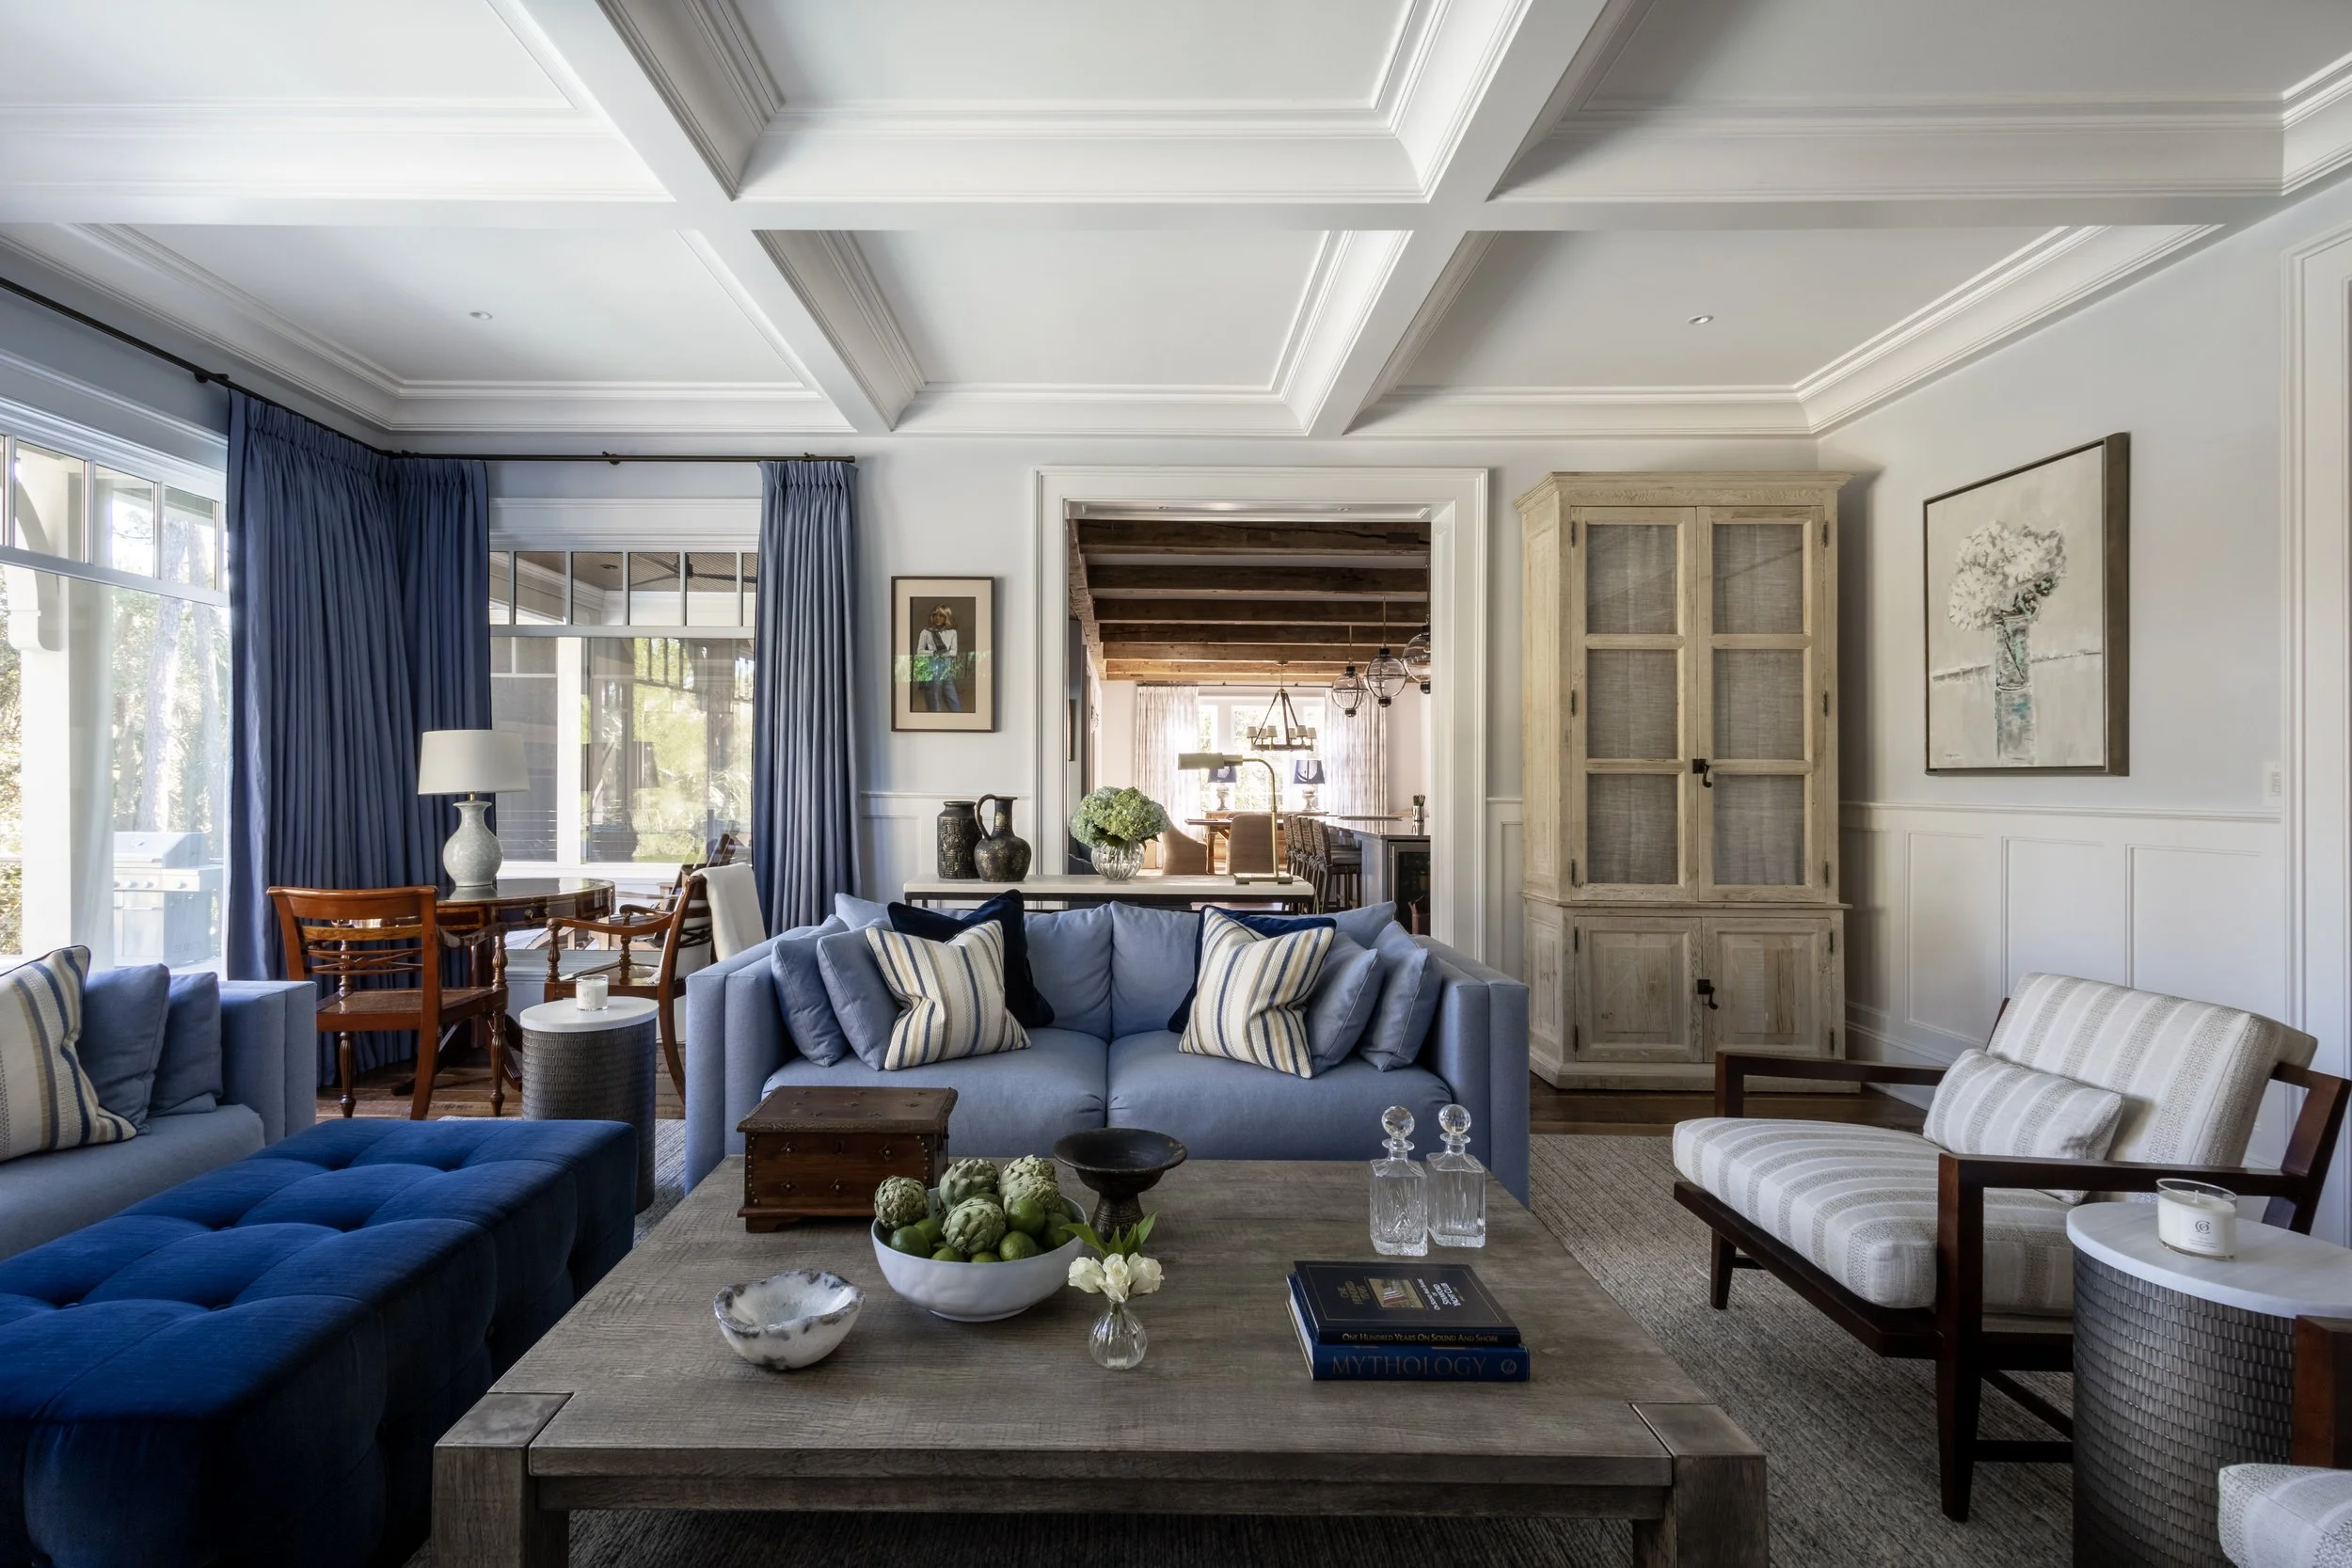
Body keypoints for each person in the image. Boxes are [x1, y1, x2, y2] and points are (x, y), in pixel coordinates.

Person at [915, 603, 961, 712]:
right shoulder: (926, 632)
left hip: (946, 667)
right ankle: (936, 725)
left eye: (941, 615)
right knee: (934, 701)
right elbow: (919, 651)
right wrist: (934, 653)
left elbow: (954, 652)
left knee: (953, 700)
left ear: (946, 617)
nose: (937, 618)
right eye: (935, 615)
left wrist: (942, 654)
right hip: (932, 667)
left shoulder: (952, 632)